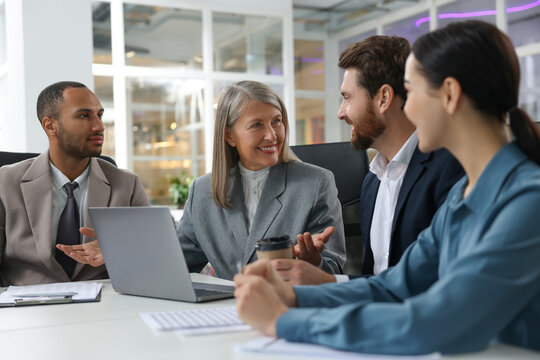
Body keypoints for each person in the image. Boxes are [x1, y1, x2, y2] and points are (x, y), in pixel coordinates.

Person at [234, 20, 540, 354]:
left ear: (449, 95)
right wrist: (293, 296)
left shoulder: (528, 201)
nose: (405, 108)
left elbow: (435, 321)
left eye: (412, 91)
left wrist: (281, 321)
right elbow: (395, 285)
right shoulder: (462, 195)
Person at [63, 80, 346, 281]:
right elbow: (176, 260)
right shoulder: (204, 191)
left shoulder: (315, 182)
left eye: (276, 121)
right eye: (257, 125)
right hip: (225, 316)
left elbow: (335, 268)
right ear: (229, 136)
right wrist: (121, 250)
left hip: (292, 309)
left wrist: (315, 261)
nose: (272, 135)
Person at [272, 35, 463, 285]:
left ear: (383, 98)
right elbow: (375, 281)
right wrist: (319, 270)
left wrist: (329, 284)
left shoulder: (450, 171)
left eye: (347, 97)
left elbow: (440, 284)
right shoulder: (372, 182)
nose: (341, 113)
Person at [0, 81, 149, 286]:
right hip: (26, 310)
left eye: (99, 115)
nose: (99, 126)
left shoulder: (127, 185)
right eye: (83, 115)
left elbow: (151, 262)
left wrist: (118, 251)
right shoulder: (5, 183)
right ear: (50, 125)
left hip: (104, 308)